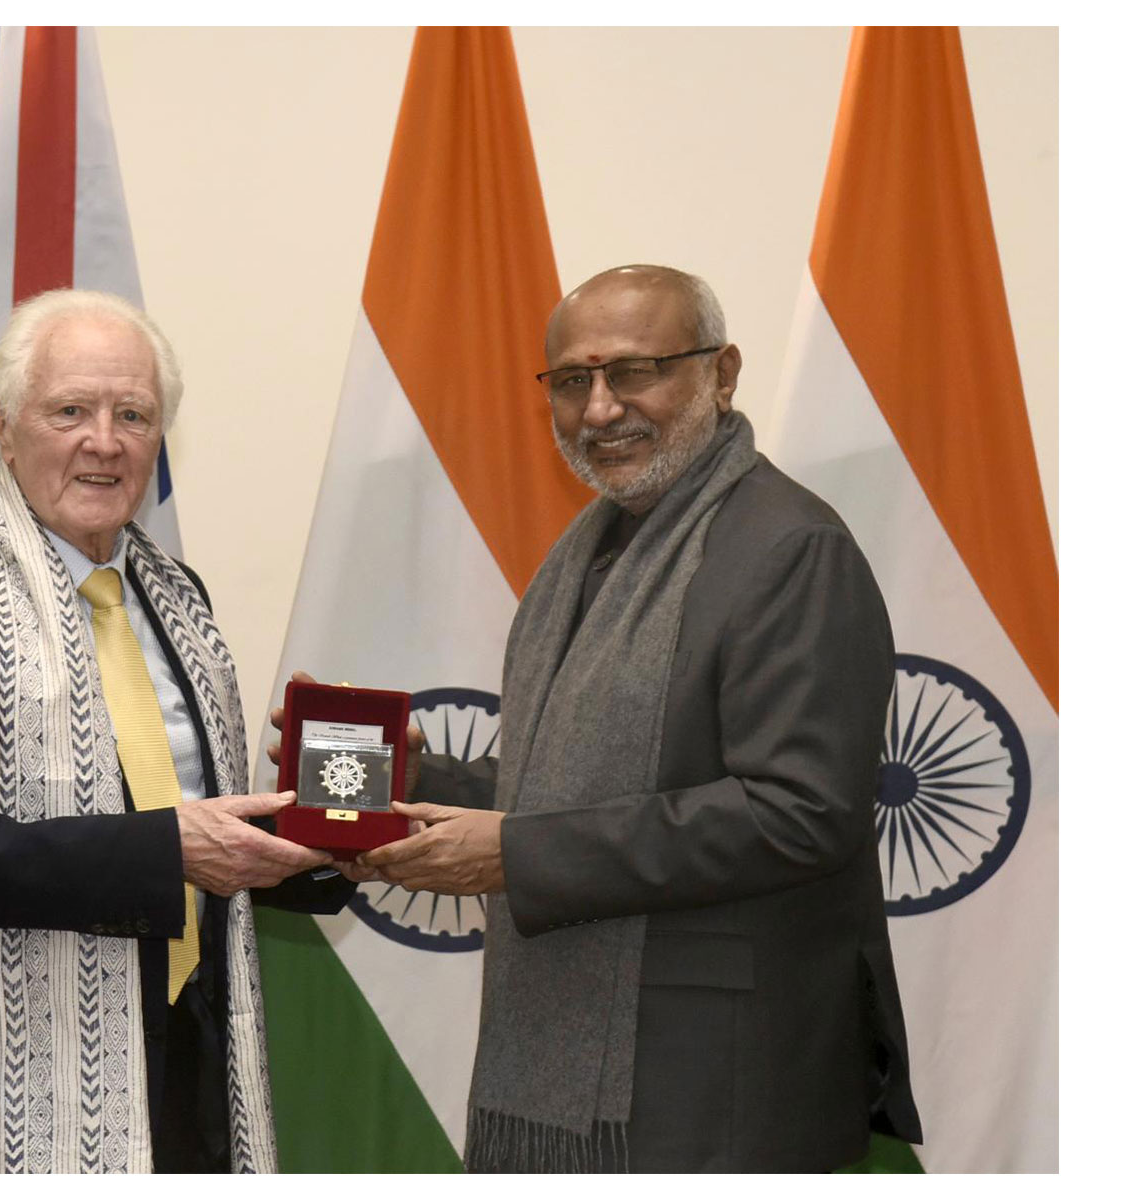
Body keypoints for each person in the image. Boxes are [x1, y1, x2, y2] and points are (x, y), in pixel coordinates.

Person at [345, 265, 923, 1171]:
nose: (601, 408)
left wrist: (516, 854)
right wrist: (423, 784)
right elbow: (608, 785)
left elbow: (800, 813)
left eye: (635, 371)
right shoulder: (589, 551)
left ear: (722, 373)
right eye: (573, 381)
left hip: (719, 1084)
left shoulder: (790, 549)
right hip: (591, 1082)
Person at [0, 288, 348, 1173]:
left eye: (134, 415)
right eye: (70, 410)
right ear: (6, 425)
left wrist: (330, 827)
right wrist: (169, 853)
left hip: (188, 1069)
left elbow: (190, 818)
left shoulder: (182, 600)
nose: (104, 441)